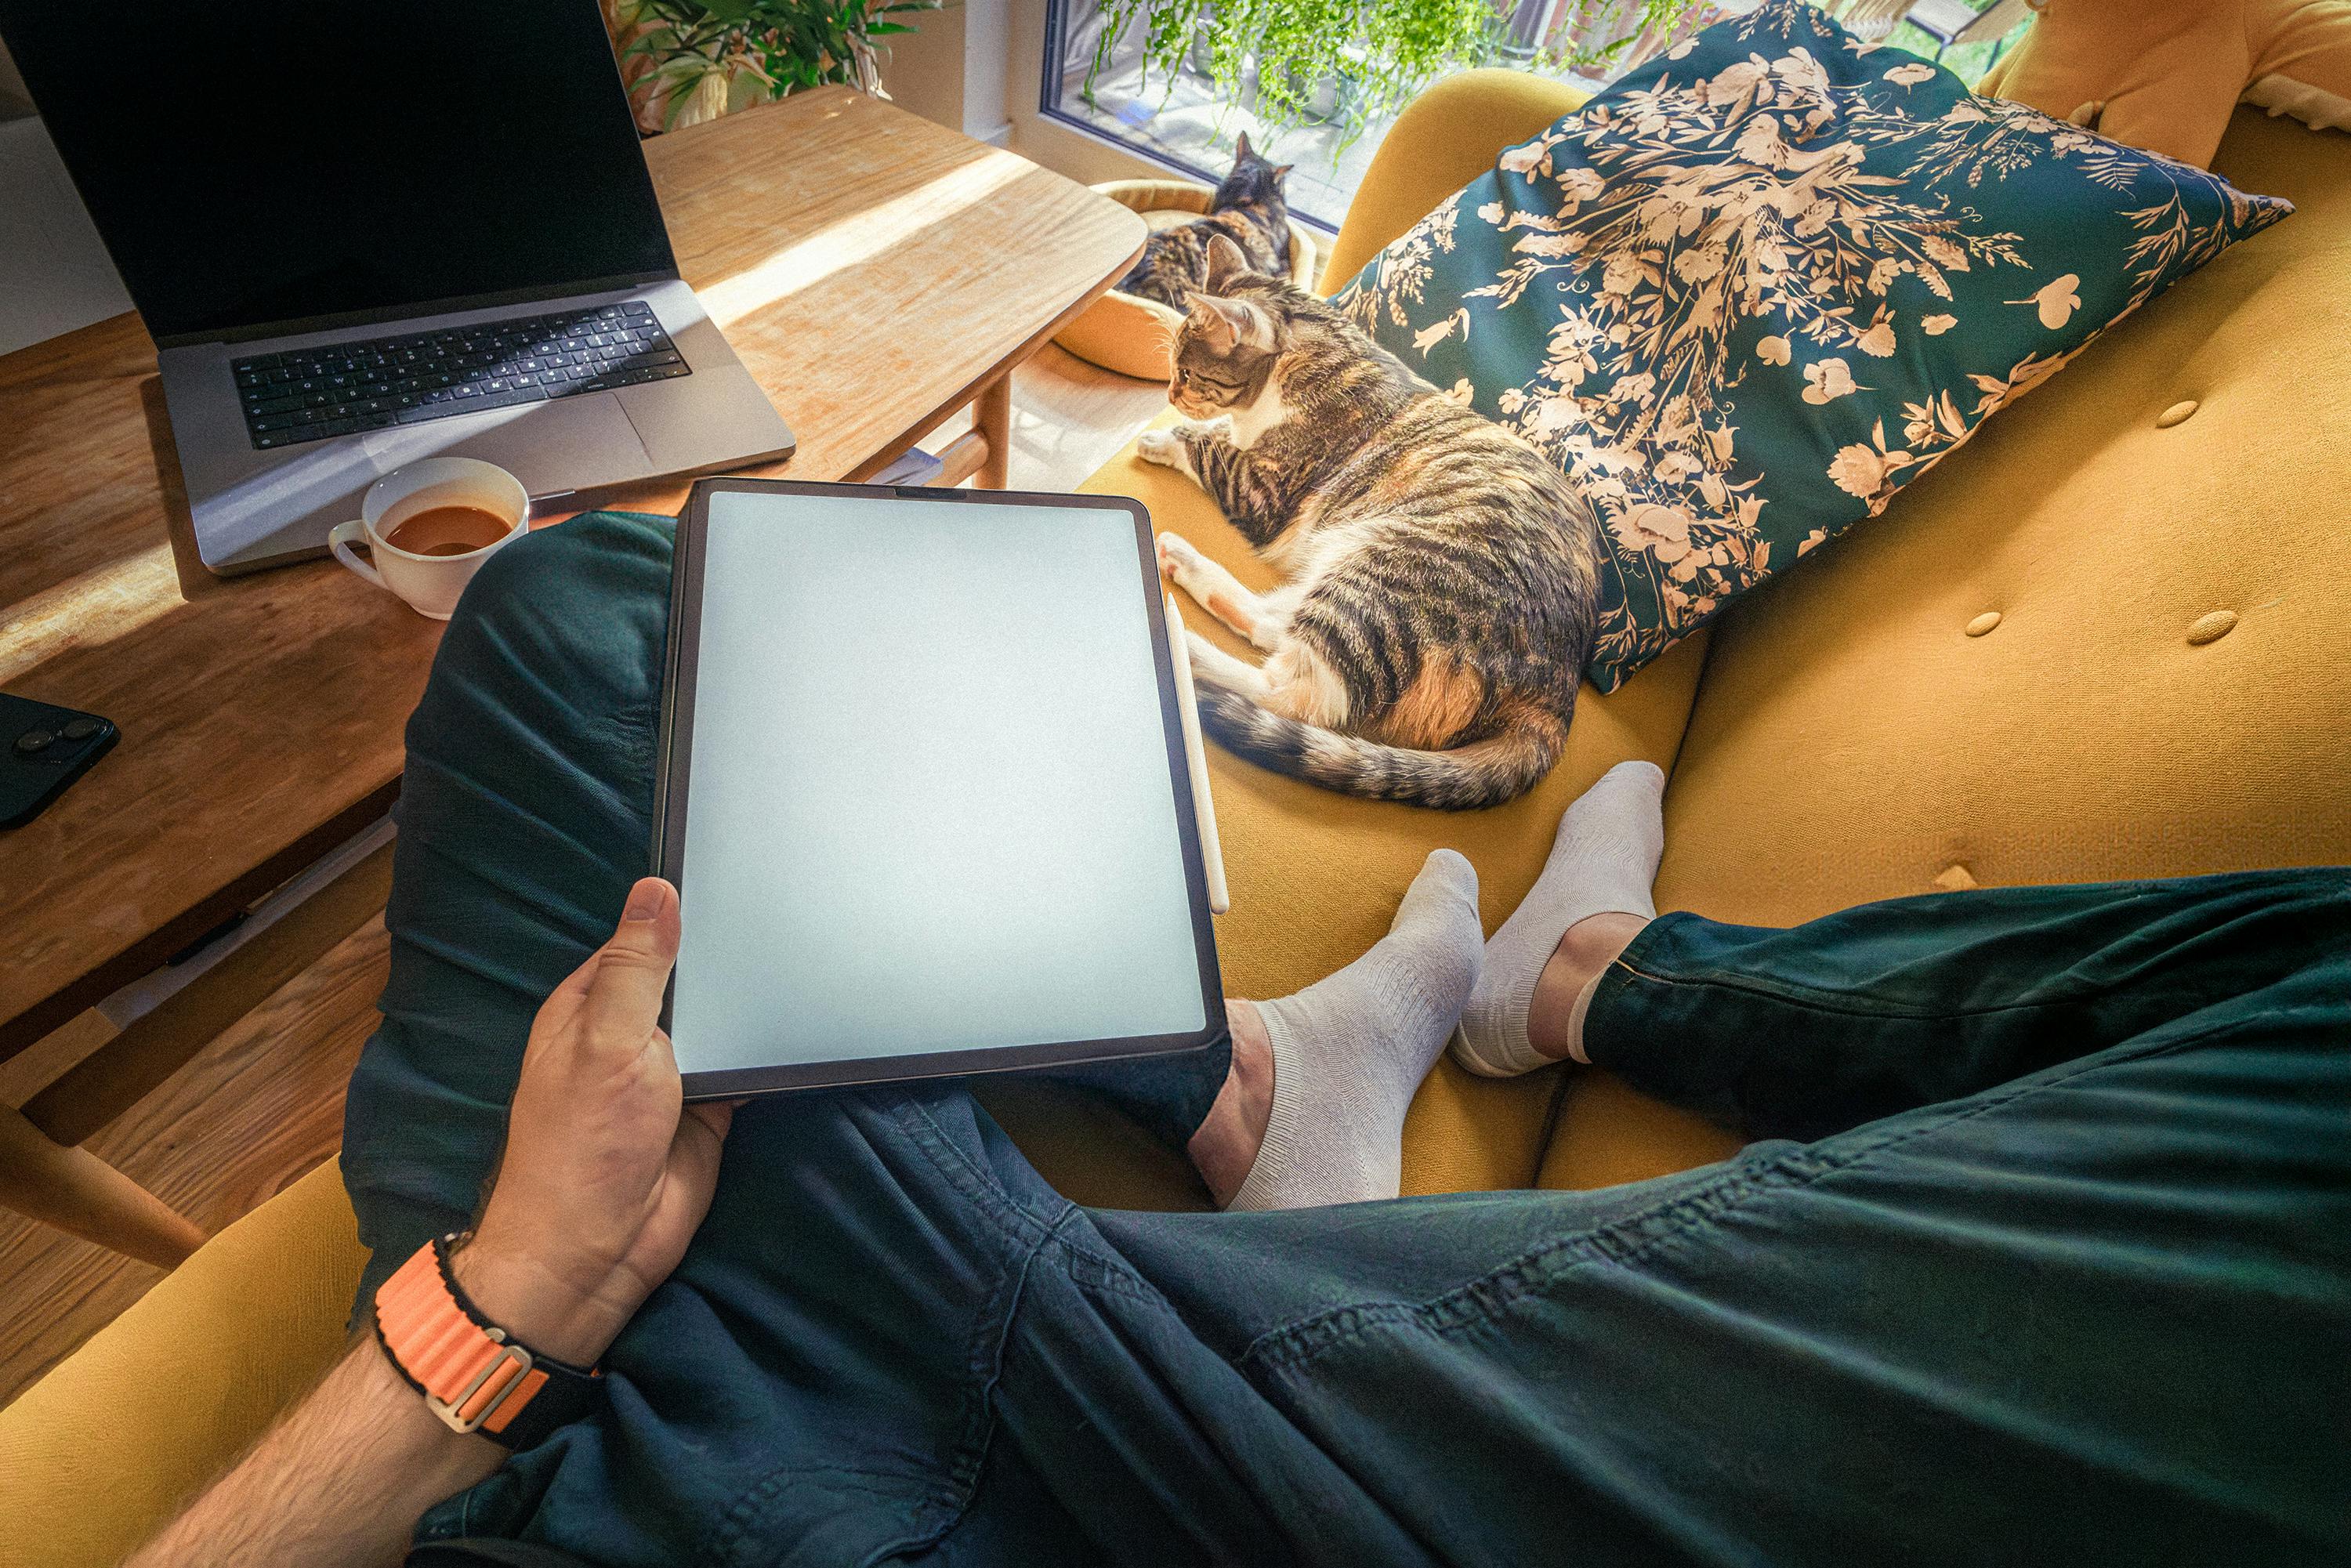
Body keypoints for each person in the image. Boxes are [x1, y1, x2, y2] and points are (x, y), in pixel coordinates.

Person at [129, 518, 2348, 1567]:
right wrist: (499, 1314)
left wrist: (511, 1319)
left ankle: (1454, 1023)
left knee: (607, 637)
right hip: (651, 1400)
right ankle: (1507, 1006)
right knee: (604, 624)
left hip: (1129, 1471)